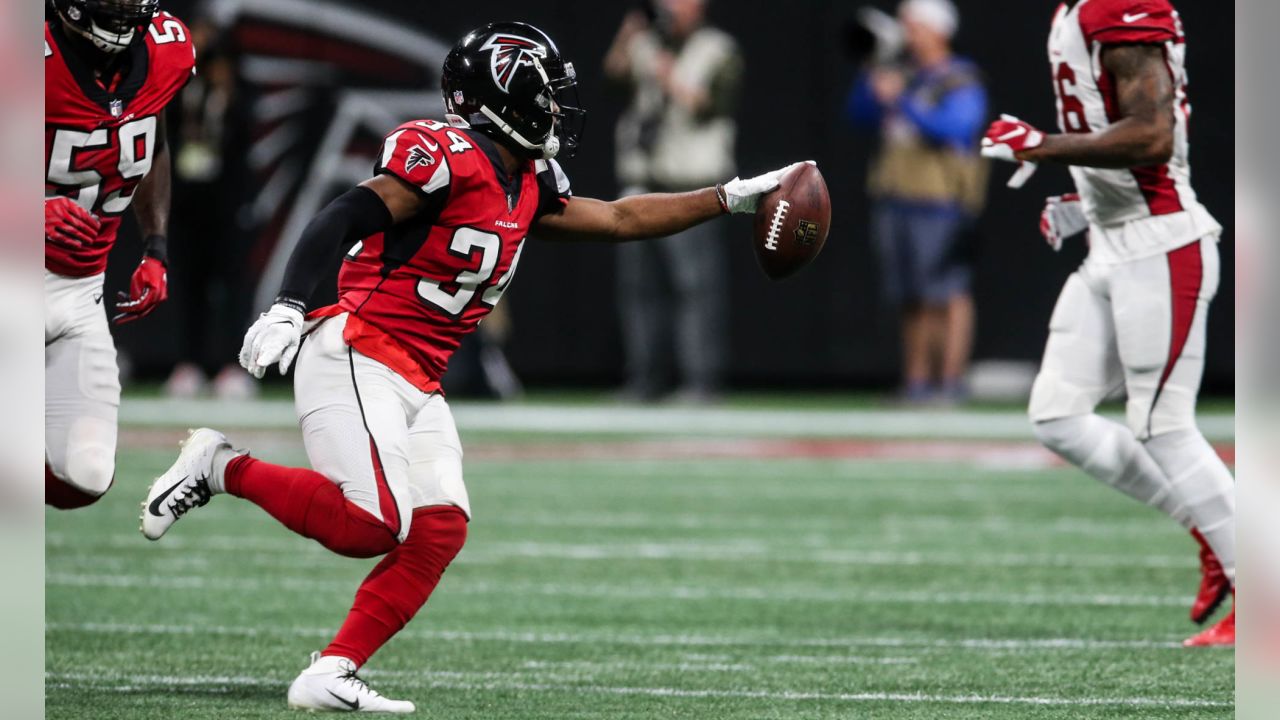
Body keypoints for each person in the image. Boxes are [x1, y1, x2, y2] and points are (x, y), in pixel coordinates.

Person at [139, 22, 808, 711]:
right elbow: (342, 215)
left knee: (438, 527)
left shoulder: (525, 180)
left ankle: (331, 670)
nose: (555, 111)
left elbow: (618, 219)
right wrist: (287, 304)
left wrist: (730, 197)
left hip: (417, 375)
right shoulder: (445, 157)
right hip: (357, 346)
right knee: (373, 524)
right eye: (545, 96)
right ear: (505, 99)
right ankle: (219, 465)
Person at [981, 0, 1234, 646]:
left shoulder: (1119, 7)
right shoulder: (1079, 9)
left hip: (1161, 242)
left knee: (1162, 425)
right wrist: (1088, 201)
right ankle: (1213, 527)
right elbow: (1116, 124)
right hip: (1115, 239)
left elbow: (1153, 135)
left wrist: (1042, 146)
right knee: (1058, 414)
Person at [45, 0, 194, 508]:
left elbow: (150, 136)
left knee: (85, 475)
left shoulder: (167, 49)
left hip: (80, 288)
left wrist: (155, 246)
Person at [845, 0, 987, 404]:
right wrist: (874, 74)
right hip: (897, 194)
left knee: (946, 292)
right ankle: (917, 381)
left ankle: (950, 380)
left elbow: (958, 127)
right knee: (909, 296)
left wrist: (903, 98)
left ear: (939, 30)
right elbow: (858, 115)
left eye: (916, 26)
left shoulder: (959, 79)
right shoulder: (901, 71)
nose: (908, 34)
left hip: (941, 198)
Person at [603, 0, 743, 403]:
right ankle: (644, 378)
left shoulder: (718, 48)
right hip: (642, 181)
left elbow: (715, 107)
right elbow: (611, 83)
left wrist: (671, 78)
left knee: (695, 286)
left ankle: (700, 381)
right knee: (639, 287)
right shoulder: (644, 44)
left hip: (691, 184)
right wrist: (627, 37)